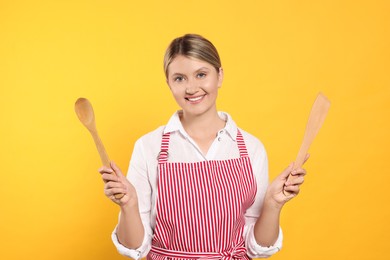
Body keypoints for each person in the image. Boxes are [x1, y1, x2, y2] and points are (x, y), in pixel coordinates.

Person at [99, 34, 307, 259]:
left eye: (201, 74)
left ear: (219, 76)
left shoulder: (250, 148)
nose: (192, 88)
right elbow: (136, 247)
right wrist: (128, 205)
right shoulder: (149, 147)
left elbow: (256, 248)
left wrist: (273, 204)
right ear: (168, 84)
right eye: (179, 78)